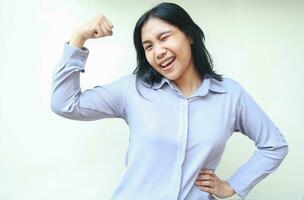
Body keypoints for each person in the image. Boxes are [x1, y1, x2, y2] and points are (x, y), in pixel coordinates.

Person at [51, 2, 288, 200]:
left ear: (190, 36)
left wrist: (233, 185)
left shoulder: (230, 94)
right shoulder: (132, 89)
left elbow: (274, 145)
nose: (158, 51)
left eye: (164, 38)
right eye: (148, 46)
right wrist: (78, 39)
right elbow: (65, 104)